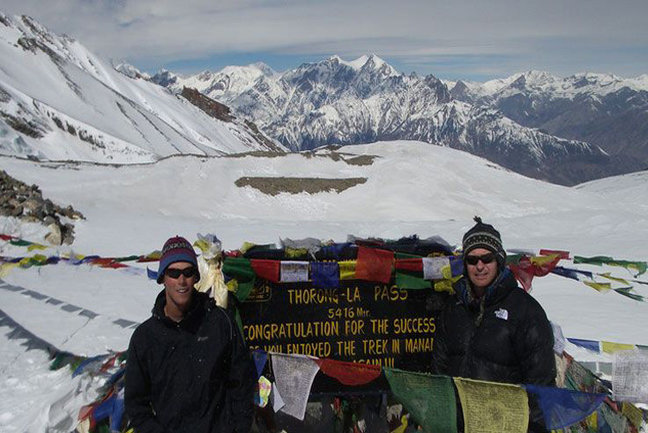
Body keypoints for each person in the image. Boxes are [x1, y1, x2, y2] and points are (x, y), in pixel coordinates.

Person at [432, 217, 556, 432]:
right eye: (472, 260)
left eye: (487, 258)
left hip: (505, 424)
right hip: (459, 424)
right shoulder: (454, 308)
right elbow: (440, 367)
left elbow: (541, 382)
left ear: (498, 260)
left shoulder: (525, 310)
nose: (479, 266)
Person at [125, 236, 255, 433]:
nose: (182, 280)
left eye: (188, 272)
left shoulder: (220, 323)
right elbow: (136, 406)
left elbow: (241, 384)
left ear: (196, 276)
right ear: (162, 278)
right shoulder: (145, 338)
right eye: (174, 273)